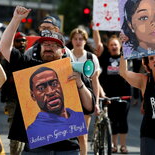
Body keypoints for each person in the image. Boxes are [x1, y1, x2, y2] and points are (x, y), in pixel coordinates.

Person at [0, 6, 95, 154]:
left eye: (54, 45)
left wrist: (80, 84)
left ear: (63, 51)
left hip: (68, 148)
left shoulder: (74, 71)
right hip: (36, 146)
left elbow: (89, 107)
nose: (48, 47)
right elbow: (4, 48)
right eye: (45, 44)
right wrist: (16, 19)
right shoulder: (30, 66)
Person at [26, 67, 86, 149]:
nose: (50, 91)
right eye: (41, 88)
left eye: (54, 84)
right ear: (33, 95)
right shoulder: (33, 131)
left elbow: (90, 107)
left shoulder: (78, 118)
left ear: (61, 86)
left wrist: (80, 83)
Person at [68, 27, 101, 155]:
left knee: (82, 134)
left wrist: (96, 102)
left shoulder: (91, 57)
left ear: (85, 41)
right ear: (71, 40)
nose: (78, 41)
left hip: (85, 97)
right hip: (69, 97)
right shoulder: (66, 54)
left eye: (80, 39)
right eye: (75, 39)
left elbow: (95, 81)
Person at [98, 35, 132, 153]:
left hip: (124, 95)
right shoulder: (105, 58)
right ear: (108, 47)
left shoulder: (125, 57)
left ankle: (123, 145)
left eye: (115, 44)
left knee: (123, 120)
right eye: (111, 45)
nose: (113, 46)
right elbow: (98, 44)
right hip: (109, 95)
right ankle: (113, 144)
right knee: (112, 120)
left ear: (120, 46)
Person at [0, 31, 27, 155]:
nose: (21, 43)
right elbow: (5, 78)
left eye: (23, 40)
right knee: (15, 133)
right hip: (13, 100)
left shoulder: (29, 56)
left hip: (27, 100)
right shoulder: (9, 58)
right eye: (18, 41)